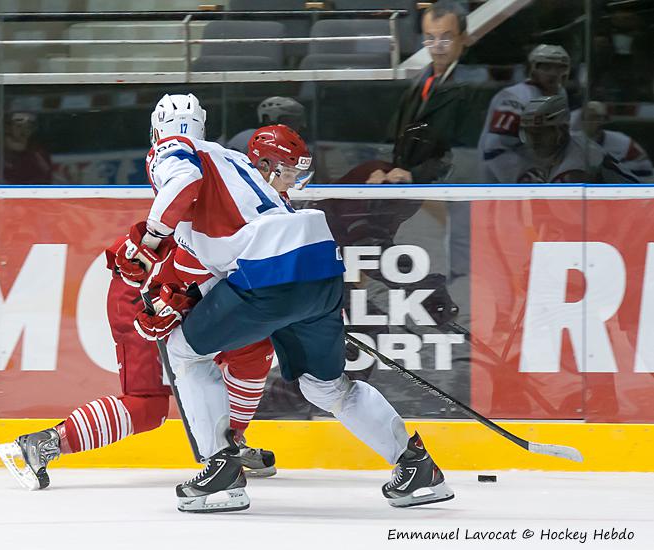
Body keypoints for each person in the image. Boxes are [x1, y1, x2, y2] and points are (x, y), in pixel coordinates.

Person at [119, 93, 453, 513]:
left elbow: (183, 184)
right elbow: (222, 254)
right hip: (320, 268)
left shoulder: (174, 149)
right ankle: (417, 466)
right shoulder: (236, 163)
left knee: (183, 351)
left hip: (270, 274)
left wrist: (149, 240)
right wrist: (187, 294)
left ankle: (221, 471)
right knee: (325, 386)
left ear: (156, 129)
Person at [0, 124, 316, 493]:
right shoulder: (223, 190)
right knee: (146, 407)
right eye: (288, 171)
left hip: (187, 294)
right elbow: (177, 257)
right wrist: (170, 299)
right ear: (261, 166)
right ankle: (44, 444)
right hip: (143, 294)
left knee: (253, 349)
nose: (293, 181)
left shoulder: (267, 203)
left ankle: (229, 445)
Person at [372, 0, 477, 185]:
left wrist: (416, 176)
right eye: (430, 37)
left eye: (446, 37)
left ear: (464, 38)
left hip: (448, 192)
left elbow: (467, 153)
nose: (437, 46)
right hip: (409, 193)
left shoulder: (474, 86)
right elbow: (392, 140)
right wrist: (382, 170)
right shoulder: (417, 84)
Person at [478, 44, 571, 183]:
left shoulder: (561, 94)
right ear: (532, 69)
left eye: (560, 67)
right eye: (546, 67)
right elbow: (495, 148)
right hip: (502, 174)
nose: (553, 73)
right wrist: (522, 177)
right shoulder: (514, 97)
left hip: (538, 168)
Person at [515, 95, 638, 184]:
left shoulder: (574, 170)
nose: (534, 140)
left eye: (540, 133)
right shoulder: (571, 144)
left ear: (561, 130)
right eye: (529, 133)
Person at [572, 101, 653, 181]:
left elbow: (645, 172)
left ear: (603, 120)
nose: (592, 121)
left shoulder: (624, 143)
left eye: (597, 117)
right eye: (588, 117)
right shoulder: (572, 143)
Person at [226, 96, 307, 154]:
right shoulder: (250, 141)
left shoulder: (281, 143)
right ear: (269, 120)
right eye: (293, 120)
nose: (300, 126)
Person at [2, 111, 53, 184]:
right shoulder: (0, 150)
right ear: (9, 127)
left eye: (28, 127)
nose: (23, 132)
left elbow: (46, 177)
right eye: (18, 126)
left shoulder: (38, 154)